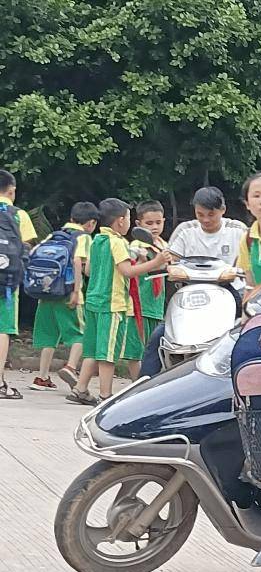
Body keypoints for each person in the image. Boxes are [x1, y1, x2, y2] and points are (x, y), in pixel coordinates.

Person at [68, 199, 170, 405]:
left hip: (93, 302)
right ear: (121, 221)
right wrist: (156, 262)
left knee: (95, 350)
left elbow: (88, 270)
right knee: (108, 354)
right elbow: (128, 272)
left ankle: (80, 388)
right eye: (130, 219)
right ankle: (106, 396)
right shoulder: (118, 242)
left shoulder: (96, 240)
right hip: (112, 304)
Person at [29, 202, 99, 391]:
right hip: (67, 293)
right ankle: (70, 367)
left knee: (48, 335)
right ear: (91, 223)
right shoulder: (83, 237)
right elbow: (79, 261)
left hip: (46, 292)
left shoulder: (55, 235)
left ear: (71, 218)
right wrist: (76, 291)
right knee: (81, 334)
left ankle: (41, 377)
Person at [0, 170, 37, 399]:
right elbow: (27, 246)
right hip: (7, 283)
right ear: (12, 190)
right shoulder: (18, 214)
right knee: (2, 330)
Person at [123, 202, 170, 381]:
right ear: (138, 224)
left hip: (156, 306)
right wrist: (144, 260)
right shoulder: (136, 245)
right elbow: (129, 271)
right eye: (149, 223)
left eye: (158, 222)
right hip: (137, 305)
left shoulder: (164, 245)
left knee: (152, 352)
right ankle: (136, 388)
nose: (155, 227)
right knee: (135, 351)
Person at [168, 187, 247, 264]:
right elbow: (171, 262)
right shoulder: (184, 230)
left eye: (211, 215)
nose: (206, 220)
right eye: (200, 215)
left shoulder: (238, 230)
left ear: (223, 210)